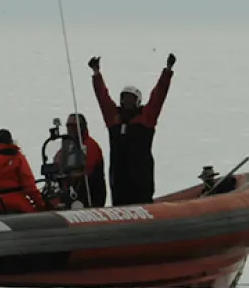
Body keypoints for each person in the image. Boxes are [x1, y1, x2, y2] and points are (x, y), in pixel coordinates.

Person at [88, 53, 175, 206]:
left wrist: (167, 71)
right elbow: (102, 97)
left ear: (138, 102)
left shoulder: (146, 119)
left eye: (131, 99)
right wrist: (96, 73)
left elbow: (158, 96)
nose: (127, 102)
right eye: (124, 98)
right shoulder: (113, 118)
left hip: (141, 180)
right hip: (118, 180)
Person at [0, 129, 48, 216]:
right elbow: (29, 185)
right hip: (18, 206)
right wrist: (42, 205)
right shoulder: (17, 158)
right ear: (10, 141)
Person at [52, 113, 106, 208]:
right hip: (70, 192)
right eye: (69, 126)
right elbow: (57, 162)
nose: (71, 129)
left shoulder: (91, 146)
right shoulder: (66, 148)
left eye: (74, 126)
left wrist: (68, 174)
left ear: (82, 127)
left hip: (89, 193)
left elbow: (87, 169)